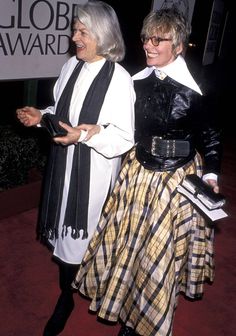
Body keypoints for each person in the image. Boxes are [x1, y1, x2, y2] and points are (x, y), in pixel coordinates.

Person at [72, 7, 222, 336]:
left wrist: (211, 175)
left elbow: (211, 135)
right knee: (130, 249)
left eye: (159, 39)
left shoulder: (198, 86)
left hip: (177, 179)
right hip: (138, 174)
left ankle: (146, 322)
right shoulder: (135, 83)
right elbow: (124, 125)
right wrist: (98, 128)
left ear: (179, 45)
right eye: (145, 38)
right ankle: (128, 311)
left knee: (159, 256)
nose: (149, 45)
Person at [16, 1, 135, 335]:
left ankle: (93, 293)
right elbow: (60, 109)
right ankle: (66, 296)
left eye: (82, 31)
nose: (74, 37)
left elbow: (124, 137)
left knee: (84, 240)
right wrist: (42, 118)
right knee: (66, 240)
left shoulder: (120, 80)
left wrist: (84, 136)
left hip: (94, 176)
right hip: (62, 167)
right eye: (74, 30)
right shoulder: (71, 66)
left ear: (101, 34)